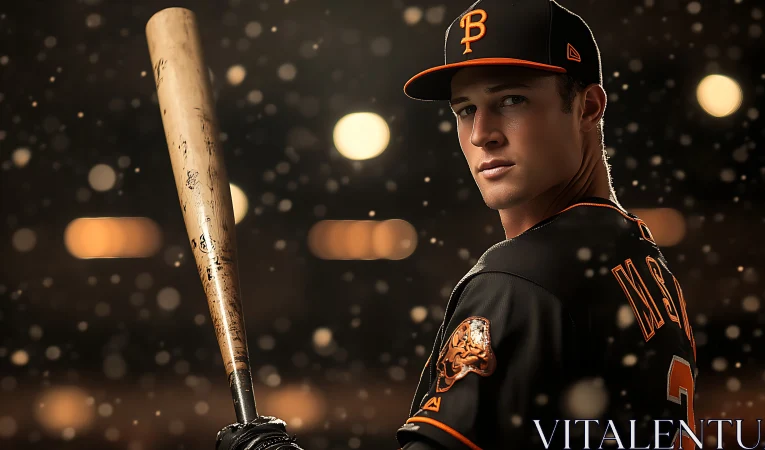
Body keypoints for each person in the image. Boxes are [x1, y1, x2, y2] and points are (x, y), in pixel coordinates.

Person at [216, 0, 699, 448]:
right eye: (465, 109)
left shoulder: (524, 277)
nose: (481, 133)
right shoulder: (640, 258)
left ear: (588, 107)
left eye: (511, 100)